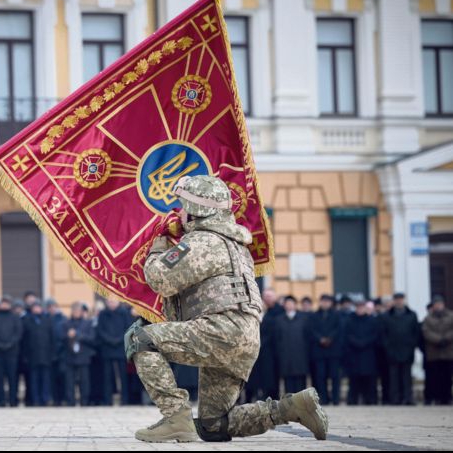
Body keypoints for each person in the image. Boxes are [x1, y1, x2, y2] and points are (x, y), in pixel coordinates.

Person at [126, 176, 327, 443]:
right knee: (213, 425)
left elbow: (159, 278)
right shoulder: (236, 245)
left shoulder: (202, 241)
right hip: (243, 336)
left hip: (220, 330)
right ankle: (289, 409)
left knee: (139, 338)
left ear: (196, 211)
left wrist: (159, 245)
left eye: (183, 206)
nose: (179, 213)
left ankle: (175, 416)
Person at [379, 293, 420, 405]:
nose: (399, 301)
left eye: (401, 299)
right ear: (394, 301)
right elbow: (383, 334)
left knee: (407, 376)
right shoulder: (386, 316)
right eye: (397, 299)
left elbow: (416, 332)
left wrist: (412, 345)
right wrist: (387, 347)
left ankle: (408, 398)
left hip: (407, 350)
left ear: (404, 300)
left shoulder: (412, 315)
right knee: (393, 377)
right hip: (392, 351)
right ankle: (395, 399)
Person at [0, 296, 23, 407]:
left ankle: (13, 400)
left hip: (12, 352)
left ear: (10, 305)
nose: (4, 305)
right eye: (3, 303)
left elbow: (18, 332)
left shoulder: (15, 317)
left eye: (7, 303)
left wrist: (9, 344)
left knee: (12, 378)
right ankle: (0, 400)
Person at [307, 295, 343, 406]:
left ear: (331, 303)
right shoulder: (314, 315)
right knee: (320, 376)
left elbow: (339, 329)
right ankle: (324, 399)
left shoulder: (336, 315)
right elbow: (311, 330)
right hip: (319, 351)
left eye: (327, 301)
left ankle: (336, 399)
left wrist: (330, 338)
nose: (325, 303)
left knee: (335, 376)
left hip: (333, 351)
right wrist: (320, 339)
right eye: (323, 301)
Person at [97, 297, 132, 406]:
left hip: (120, 347)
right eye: (109, 302)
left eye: (113, 301)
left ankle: (124, 400)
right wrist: (109, 340)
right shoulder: (102, 314)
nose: (111, 303)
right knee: (107, 376)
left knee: (123, 376)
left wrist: (118, 340)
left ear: (118, 302)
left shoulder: (124, 313)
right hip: (107, 347)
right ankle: (108, 400)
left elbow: (129, 328)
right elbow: (100, 330)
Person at [343, 299, 379, 405]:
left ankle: (369, 400)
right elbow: (347, 335)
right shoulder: (350, 320)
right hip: (354, 354)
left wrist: (365, 342)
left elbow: (375, 335)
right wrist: (356, 342)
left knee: (369, 379)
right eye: (358, 307)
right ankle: (352, 400)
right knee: (354, 379)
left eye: (362, 307)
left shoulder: (372, 320)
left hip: (368, 354)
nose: (360, 309)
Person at [276, 296, 310, 395]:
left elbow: (308, 338)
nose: (289, 305)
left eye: (292, 303)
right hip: (286, 358)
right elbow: (277, 339)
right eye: (287, 303)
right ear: (284, 305)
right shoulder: (279, 320)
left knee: (301, 385)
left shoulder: (303, 319)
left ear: (295, 305)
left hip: (301, 357)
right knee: (288, 385)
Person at [422, 295, 453, 405]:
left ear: (443, 304)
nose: (438, 306)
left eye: (440, 304)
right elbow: (426, 332)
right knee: (435, 378)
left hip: (448, 352)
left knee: (447, 377)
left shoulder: (451, 316)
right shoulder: (428, 318)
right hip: (434, 353)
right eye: (436, 304)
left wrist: (446, 338)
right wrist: (438, 339)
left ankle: (447, 397)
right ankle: (437, 397)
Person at [63, 302, 96, 407]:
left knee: (84, 381)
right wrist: (67, 336)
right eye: (75, 311)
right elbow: (60, 338)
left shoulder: (88, 323)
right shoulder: (66, 323)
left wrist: (77, 334)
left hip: (83, 356)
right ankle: (71, 402)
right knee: (69, 381)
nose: (76, 313)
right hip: (70, 356)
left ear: (82, 312)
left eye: (78, 311)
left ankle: (84, 401)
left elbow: (91, 338)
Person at [22, 300, 54, 406]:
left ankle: (45, 398)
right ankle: (35, 399)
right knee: (34, 379)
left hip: (46, 355)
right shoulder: (27, 321)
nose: (37, 309)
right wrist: (25, 355)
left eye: (38, 307)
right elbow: (24, 340)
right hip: (32, 355)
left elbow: (52, 338)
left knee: (46, 379)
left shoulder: (47, 320)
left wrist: (52, 354)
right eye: (34, 307)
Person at [46, 298, 67, 406]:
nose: (52, 309)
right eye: (49, 307)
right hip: (49, 353)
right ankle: (55, 399)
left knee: (63, 376)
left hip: (62, 353)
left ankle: (63, 398)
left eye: (53, 306)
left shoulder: (63, 319)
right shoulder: (46, 319)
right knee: (52, 378)